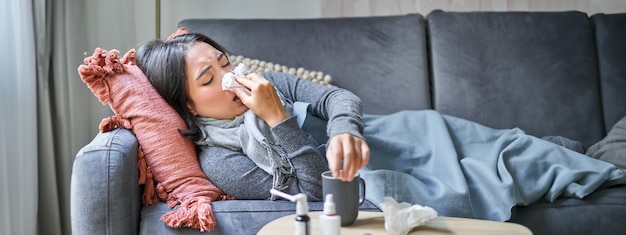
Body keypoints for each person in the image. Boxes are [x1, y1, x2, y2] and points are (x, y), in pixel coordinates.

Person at [135, 32, 625, 221]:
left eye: (224, 60)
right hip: (364, 181)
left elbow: (335, 97)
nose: (231, 76)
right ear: (189, 107)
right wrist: (278, 120)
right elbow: (312, 192)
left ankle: (577, 153)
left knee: (514, 147)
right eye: (209, 77)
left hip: (399, 134)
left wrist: (347, 128)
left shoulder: (262, 81)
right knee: (516, 164)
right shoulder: (220, 162)